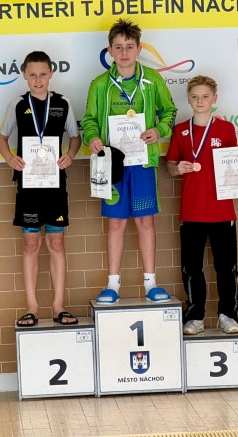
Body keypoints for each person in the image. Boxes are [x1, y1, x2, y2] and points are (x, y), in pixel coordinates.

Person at [82, 18, 178, 305]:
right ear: (110, 50)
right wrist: (92, 137)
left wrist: (159, 130)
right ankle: (112, 285)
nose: (124, 52)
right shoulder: (100, 84)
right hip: (112, 165)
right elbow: (89, 120)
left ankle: (151, 284)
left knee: (145, 221)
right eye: (118, 47)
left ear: (139, 49)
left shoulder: (153, 80)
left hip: (143, 163)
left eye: (129, 46)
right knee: (116, 223)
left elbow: (170, 112)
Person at [166, 76, 238, 335]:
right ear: (188, 99)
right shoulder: (180, 131)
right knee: (191, 268)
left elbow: (236, 165)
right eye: (195, 96)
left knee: (226, 268)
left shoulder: (226, 129)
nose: (200, 101)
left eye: (205, 96)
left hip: (222, 210)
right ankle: (195, 316)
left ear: (214, 99)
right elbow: (170, 165)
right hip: (192, 210)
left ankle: (228, 315)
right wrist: (177, 169)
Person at [0, 51, 81, 327]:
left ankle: (58, 306)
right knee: (30, 243)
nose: (38, 79)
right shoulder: (17, 104)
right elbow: (1, 138)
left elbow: (75, 137)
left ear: (51, 74)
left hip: (55, 184)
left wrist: (70, 155)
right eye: (32, 75)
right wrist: (10, 158)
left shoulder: (63, 103)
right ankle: (31, 307)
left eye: (43, 74)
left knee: (56, 242)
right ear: (24, 75)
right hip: (28, 185)